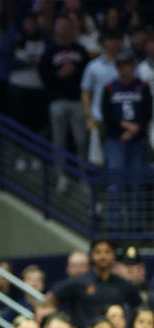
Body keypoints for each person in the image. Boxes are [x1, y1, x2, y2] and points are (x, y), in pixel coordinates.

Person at [101, 50, 152, 232]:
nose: (125, 68)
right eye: (121, 65)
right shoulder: (110, 88)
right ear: (117, 68)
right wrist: (124, 127)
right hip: (116, 140)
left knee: (136, 183)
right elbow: (106, 114)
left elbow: (147, 112)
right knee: (115, 184)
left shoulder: (142, 87)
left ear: (133, 66)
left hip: (137, 141)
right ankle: (113, 226)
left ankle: (136, 226)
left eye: (128, 65)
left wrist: (134, 130)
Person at [49, 239, 140, 328]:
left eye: (107, 252)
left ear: (114, 255)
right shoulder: (78, 282)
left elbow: (140, 308)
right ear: (91, 255)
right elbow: (49, 301)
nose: (103, 256)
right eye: (98, 252)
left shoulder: (124, 285)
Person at [40, 16, 89, 168]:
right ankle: (61, 177)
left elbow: (88, 74)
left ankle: (82, 177)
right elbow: (43, 76)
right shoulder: (49, 51)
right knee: (59, 141)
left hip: (77, 101)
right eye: (61, 26)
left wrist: (75, 70)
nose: (64, 29)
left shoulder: (80, 50)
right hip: (57, 101)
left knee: (81, 141)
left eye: (67, 26)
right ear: (55, 29)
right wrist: (58, 75)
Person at [81, 30, 123, 165]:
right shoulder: (93, 66)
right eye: (110, 39)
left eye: (117, 39)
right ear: (104, 42)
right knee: (98, 161)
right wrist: (89, 117)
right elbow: (86, 92)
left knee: (120, 160)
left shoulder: (127, 66)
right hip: (98, 118)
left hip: (123, 119)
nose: (113, 43)